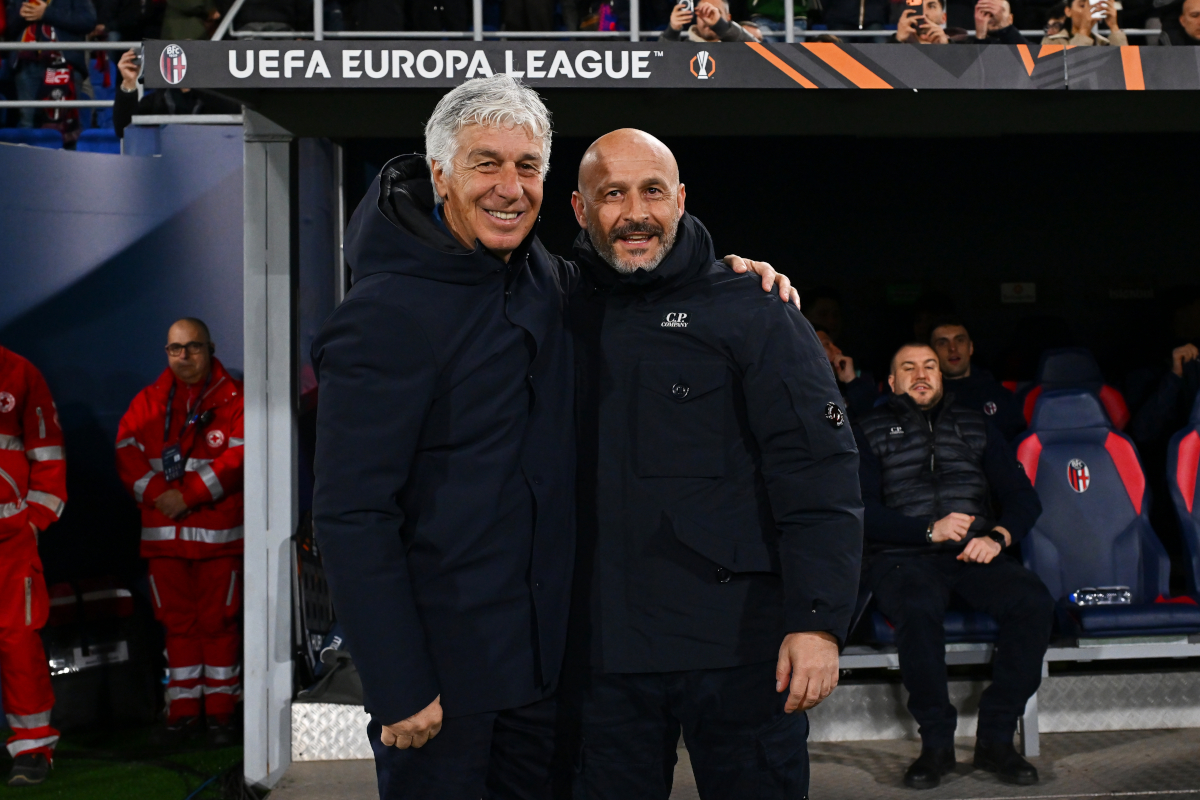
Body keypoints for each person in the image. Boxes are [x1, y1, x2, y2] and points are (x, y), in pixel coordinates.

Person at [311, 76, 790, 800]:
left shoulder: (549, 280)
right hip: (443, 684)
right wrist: (398, 683)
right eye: (486, 164)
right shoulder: (381, 314)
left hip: (547, 679)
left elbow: (643, 267)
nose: (510, 188)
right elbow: (351, 513)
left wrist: (724, 275)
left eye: (527, 166)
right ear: (440, 172)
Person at [566, 129, 864, 800]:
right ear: (581, 212)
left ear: (680, 199)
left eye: (652, 191)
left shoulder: (754, 308)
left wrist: (817, 622)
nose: (635, 212)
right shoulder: (553, 308)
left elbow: (818, 474)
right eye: (612, 194)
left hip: (740, 655)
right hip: (599, 661)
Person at [853, 343, 1051, 790]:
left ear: (942, 378)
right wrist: (927, 531)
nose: (921, 374)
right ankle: (936, 745)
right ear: (892, 381)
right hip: (902, 558)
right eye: (909, 368)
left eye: (930, 367)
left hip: (972, 554)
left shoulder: (977, 426)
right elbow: (860, 511)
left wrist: (996, 538)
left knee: (1033, 601)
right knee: (918, 606)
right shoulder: (866, 429)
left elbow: (1024, 499)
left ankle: (997, 738)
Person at [115, 319, 244, 746]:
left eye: (192, 348)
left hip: (216, 539)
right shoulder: (148, 402)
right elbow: (126, 452)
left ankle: (222, 713)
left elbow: (239, 457)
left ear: (210, 348)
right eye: (175, 349)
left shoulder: (234, 400)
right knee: (177, 626)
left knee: (218, 624)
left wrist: (186, 496)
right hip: (164, 540)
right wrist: (158, 494)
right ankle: (185, 711)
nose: (184, 357)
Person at [0, 346, 67, 787]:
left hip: (9, 539)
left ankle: (33, 749)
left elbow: (48, 454)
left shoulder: (19, 373)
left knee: (19, 641)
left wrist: (33, 523)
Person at [6, 0, 96, 130]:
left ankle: (65, 151)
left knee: (66, 125)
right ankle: (30, 151)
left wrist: (46, 13)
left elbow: (88, 21)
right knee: (28, 122)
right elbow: (9, 27)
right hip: (27, 64)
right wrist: (21, 15)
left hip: (64, 63)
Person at [930, 319, 1025, 441]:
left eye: (960, 340)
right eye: (943, 343)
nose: (952, 348)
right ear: (931, 353)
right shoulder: (924, 400)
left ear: (970, 348)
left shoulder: (999, 396)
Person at [112, 50, 242, 139]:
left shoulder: (221, 99)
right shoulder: (157, 100)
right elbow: (124, 130)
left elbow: (235, 115)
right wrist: (129, 82)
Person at [816, 326, 878, 420]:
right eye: (827, 344)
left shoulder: (844, 389)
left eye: (833, 344)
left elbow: (875, 419)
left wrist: (851, 380)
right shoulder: (797, 396)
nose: (838, 351)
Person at [661, 0, 758, 41]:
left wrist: (721, 26)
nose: (708, 19)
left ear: (728, 17)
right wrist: (672, 31)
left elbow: (763, 57)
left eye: (715, 12)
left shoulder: (737, 50)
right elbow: (658, 68)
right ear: (696, 17)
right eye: (702, 12)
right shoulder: (682, 49)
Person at [1042, 0, 1125, 44]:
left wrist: (1114, 27)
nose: (1087, 11)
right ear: (1068, 11)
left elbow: (1125, 66)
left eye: (1092, 6)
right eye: (1082, 6)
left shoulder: (1104, 43)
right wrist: (1084, 30)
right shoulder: (1051, 42)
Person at [894, 0, 969, 43]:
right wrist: (896, 41)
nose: (924, 13)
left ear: (943, 18)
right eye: (919, 7)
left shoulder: (962, 42)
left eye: (931, 6)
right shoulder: (898, 41)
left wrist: (947, 46)